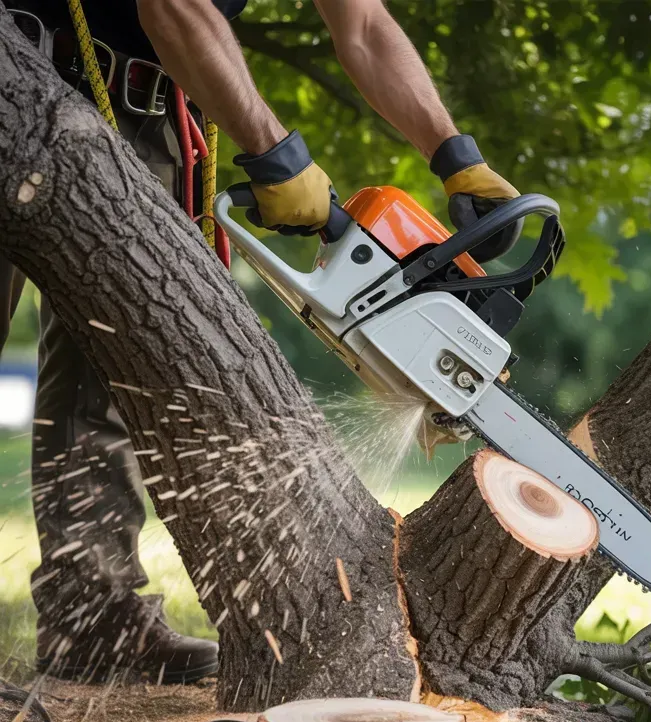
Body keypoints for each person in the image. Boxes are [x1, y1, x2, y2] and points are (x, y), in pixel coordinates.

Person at [1, 0, 519, 684]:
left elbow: (362, 24)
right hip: (27, 80)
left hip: (149, 106)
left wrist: (456, 156)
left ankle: (93, 623)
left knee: (114, 364)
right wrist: (275, 151)